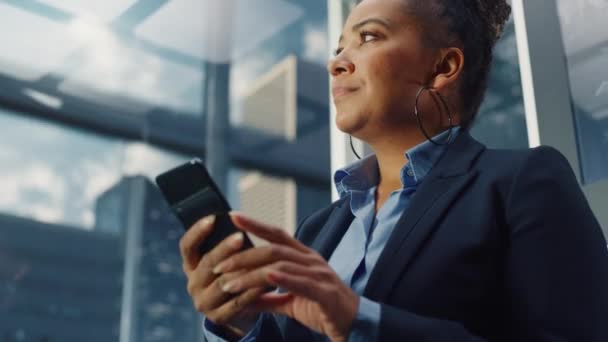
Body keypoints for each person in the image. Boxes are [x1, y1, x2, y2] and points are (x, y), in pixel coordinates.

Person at [180, 0, 608, 341]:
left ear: (443, 68)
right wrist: (241, 326)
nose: (338, 62)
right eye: (339, 47)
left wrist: (359, 319)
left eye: (368, 37)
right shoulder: (319, 228)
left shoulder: (523, 182)